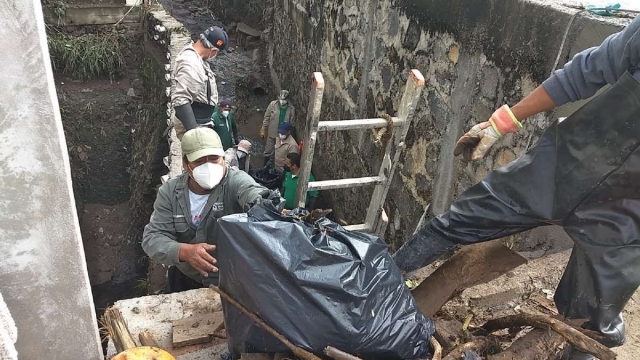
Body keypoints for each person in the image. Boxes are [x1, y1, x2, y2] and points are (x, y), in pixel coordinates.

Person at [392, 16, 640, 360]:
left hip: (627, 212)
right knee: (460, 220)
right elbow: (584, 73)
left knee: (592, 320)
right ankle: (377, 284)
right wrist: (501, 122)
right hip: (563, 166)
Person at [142, 128, 268, 293]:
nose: (208, 166)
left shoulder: (235, 182)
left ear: (223, 158)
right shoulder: (170, 193)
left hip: (230, 280)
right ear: (186, 164)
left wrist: (266, 207)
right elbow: (152, 238)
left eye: (214, 159)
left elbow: (254, 194)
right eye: (200, 161)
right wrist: (185, 251)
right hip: (187, 277)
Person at [172, 26, 229, 140]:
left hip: (201, 121)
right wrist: (194, 135)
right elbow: (180, 99)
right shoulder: (191, 64)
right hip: (195, 124)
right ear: (213, 51)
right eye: (216, 53)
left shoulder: (196, 58)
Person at [261, 90, 295, 163]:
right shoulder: (273, 105)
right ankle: (265, 167)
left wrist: (290, 135)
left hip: (283, 135)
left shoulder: (291, 109)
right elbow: (266, 117)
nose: (282, 101)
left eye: (284, 100)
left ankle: (276, 166)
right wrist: (263, 129)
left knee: (280, 153)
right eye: (281, 99)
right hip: (272, 133)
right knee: (268, 151)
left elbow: (291, 124)